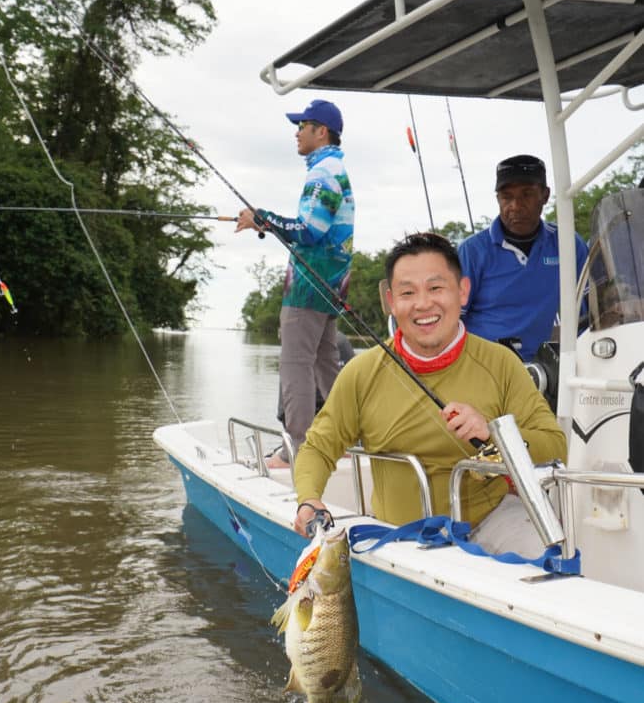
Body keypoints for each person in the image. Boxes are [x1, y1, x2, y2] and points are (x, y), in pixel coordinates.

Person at [293, 233, 567, 557]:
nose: (423, 304)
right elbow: (318, 447)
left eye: (436, 288)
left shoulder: (502, 363)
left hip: (491, 521)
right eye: (408, 292)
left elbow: (555, 445)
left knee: (545, 553)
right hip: (396, 535)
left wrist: (493, 432)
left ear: (463, 291)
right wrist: (309, 498)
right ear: (392, 302)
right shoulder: (360, 372)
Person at [236, 99, 355, 468]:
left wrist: (262, 218)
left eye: (301, 125)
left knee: (294, 363)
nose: (296, 132)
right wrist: (264, 222)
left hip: (309, 284)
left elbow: (309, 231)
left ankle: (299, 450)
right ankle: (343, 439)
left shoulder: (323, 172)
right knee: (324, 361)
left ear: (321, 131)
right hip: (332, 282)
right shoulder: (334, 167)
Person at [458, 154, 589, 362]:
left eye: (527, 194)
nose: (515, 206)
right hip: (483, 366)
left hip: (548, 368)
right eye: (506, 197)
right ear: (498, 199)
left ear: (545, 196)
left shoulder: (567, 243)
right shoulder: (472, 251)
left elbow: (593, 304)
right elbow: (451, 319)